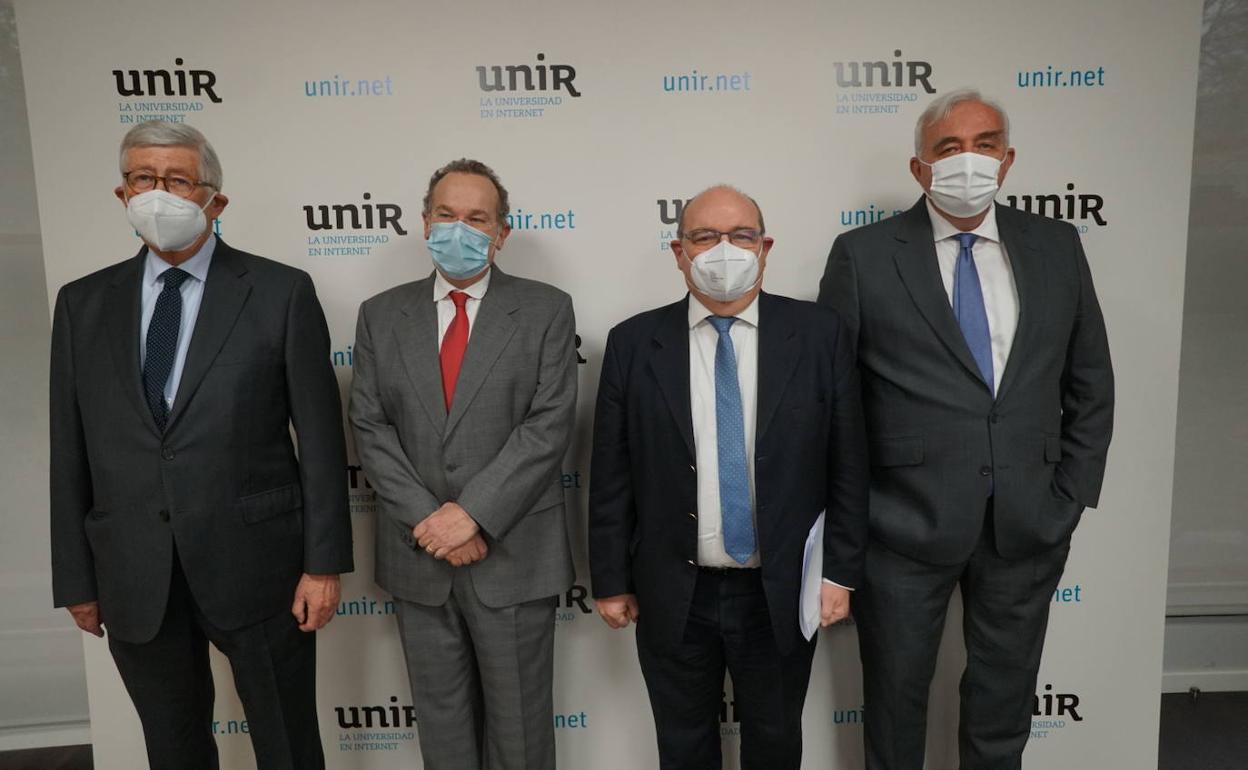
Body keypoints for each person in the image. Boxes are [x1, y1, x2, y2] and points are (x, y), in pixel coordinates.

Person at [817, 88, 1115, 769]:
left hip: (1027, 522)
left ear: (1007, 160)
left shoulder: (1057, 246)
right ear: (920, 168)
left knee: (1003, 707)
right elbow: (833, 403)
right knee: (894, 707)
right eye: (948, 148)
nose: (967, 161)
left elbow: (1091, 383)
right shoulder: (862, 256)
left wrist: (1069, 496)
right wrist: (855, 517)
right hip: (900, 529)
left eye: (984, 145)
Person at [49, 120, 353, 769]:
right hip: (133, 574)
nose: (158, 195)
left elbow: (323, 442)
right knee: (173, 749)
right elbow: (69, 450)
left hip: (262, 570)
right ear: (121, 193)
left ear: (215, 199)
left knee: (288, 746)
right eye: (143, 180)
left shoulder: (280, 292)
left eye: (177, 181)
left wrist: (323, 565)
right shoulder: (82, 306)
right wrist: (76, 577)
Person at [589, 185, 869, 769]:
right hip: (674, 591)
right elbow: (612, 474)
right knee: (683, 746)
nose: (724, 249)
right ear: (679, 251)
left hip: (781, 589)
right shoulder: (633, 342)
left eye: (741, 235)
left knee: (774, 742)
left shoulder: (820, 334)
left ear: (765, 247)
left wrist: (840, 572)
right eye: (704, 236)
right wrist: (611, 579)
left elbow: (848, 465)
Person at [349, 159, 578, 770]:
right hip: (418, 557)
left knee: (521, 739)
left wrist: (472, 515)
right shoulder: (380, 314)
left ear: (501, 232)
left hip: (514, 559)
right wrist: (432, 519)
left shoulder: (546, 309)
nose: (460, 228)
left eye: (477, 218)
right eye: (446, 215)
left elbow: (548, 425)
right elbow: (370, 427)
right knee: (444, 740)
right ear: (424, 223)